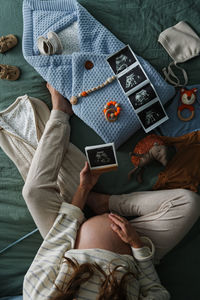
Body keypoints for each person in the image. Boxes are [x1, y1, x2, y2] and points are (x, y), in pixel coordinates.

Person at [22, 84, 200, 300]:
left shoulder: (38, 295)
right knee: (189, 203)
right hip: (133, 247)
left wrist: (83, 189)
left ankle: (60, 112)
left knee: (33, 193)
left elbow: (56, 244)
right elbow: (157, 293)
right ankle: (106, 202)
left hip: (70, 241)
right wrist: (137, 246)